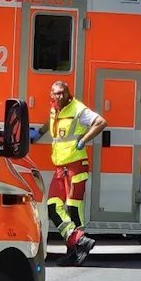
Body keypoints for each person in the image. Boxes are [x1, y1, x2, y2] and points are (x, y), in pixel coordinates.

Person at [47, 81, 106, 266]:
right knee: (53, 205)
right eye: (56, 93)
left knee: (73, 209)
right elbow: (52, 125)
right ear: (51, 95)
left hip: (75, 165)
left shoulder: (78, 108)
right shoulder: (55, 109)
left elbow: (101, 122)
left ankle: (74, 251)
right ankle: (79, 241)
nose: (60, 96)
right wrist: (38, 132)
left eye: (63, 93)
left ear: (68, 92)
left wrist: (83, 140)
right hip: (61, 167)